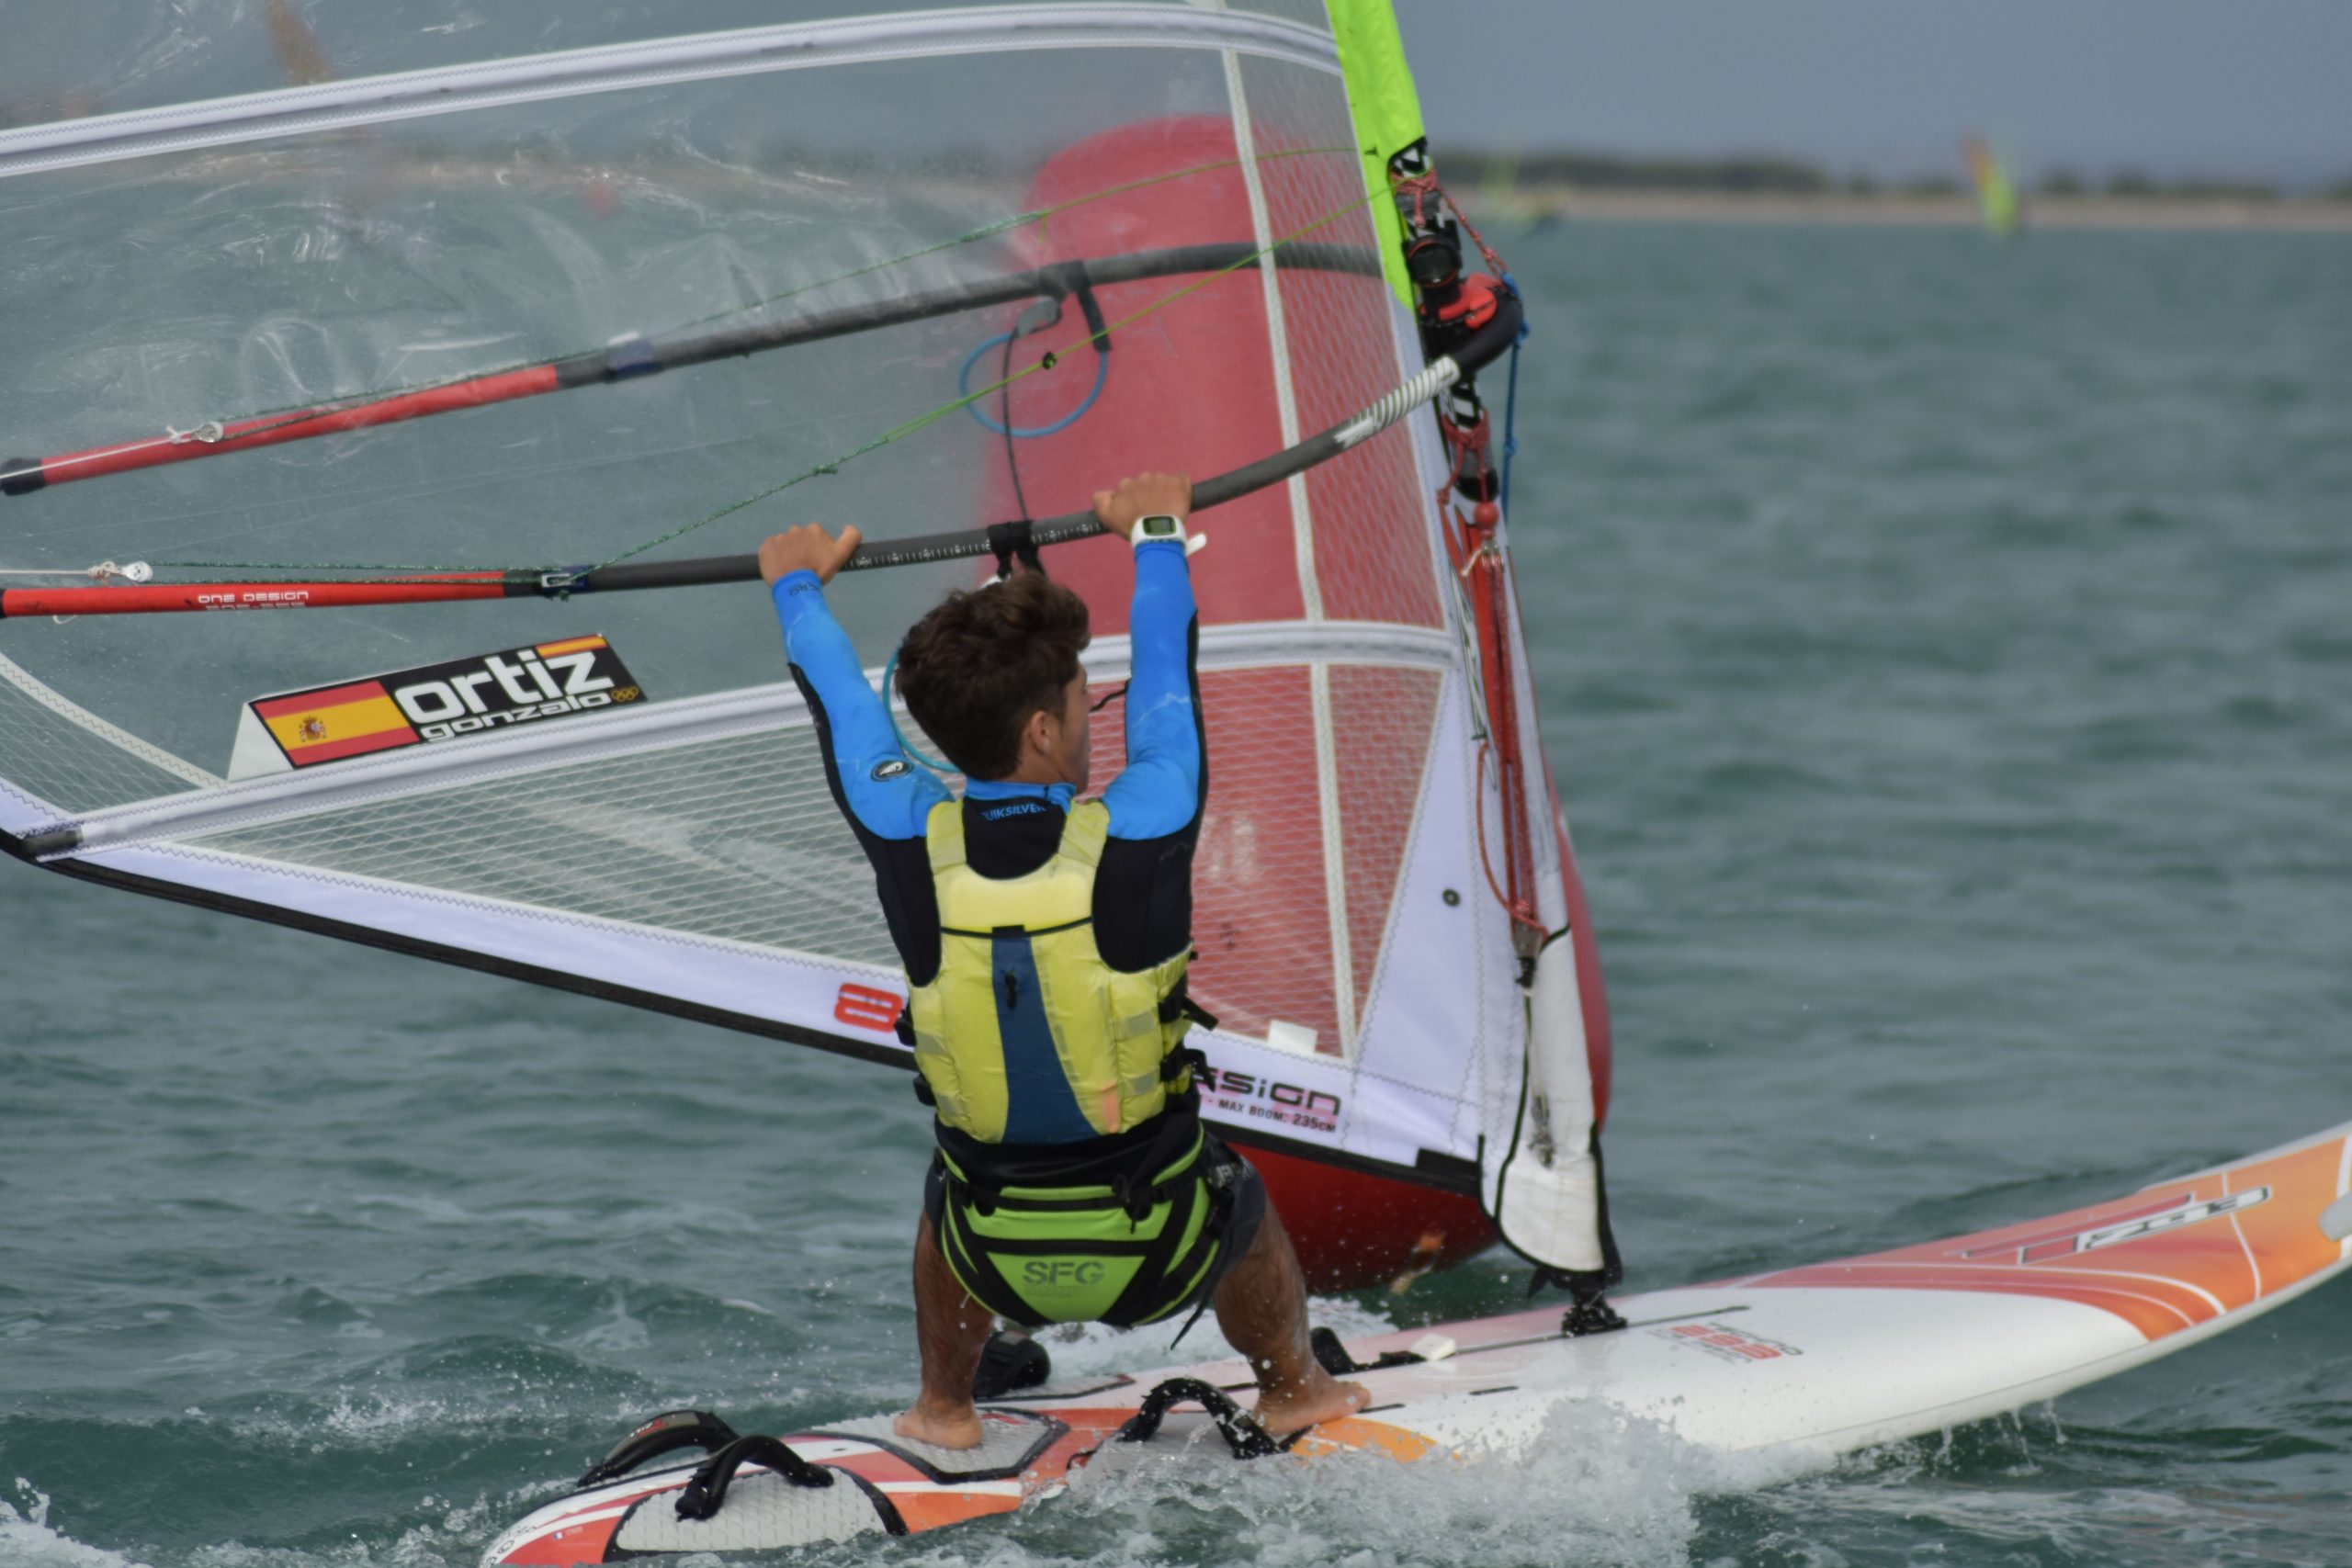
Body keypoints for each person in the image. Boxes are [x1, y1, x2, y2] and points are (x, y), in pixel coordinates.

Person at [759, 472, 1367, 1450]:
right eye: (1088, 695)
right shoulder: (1146, 822)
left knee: (948, 1186)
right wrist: (1155, 534)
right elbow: (1169, 675)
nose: (1100, 706)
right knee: (1236, 1194)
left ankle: (944, 1408)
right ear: (1043, 730)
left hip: (989, 1255)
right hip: (1163, 1245)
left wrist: (796, 585)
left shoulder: (902, 828)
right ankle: (1295, 1388)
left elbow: (839, 699)